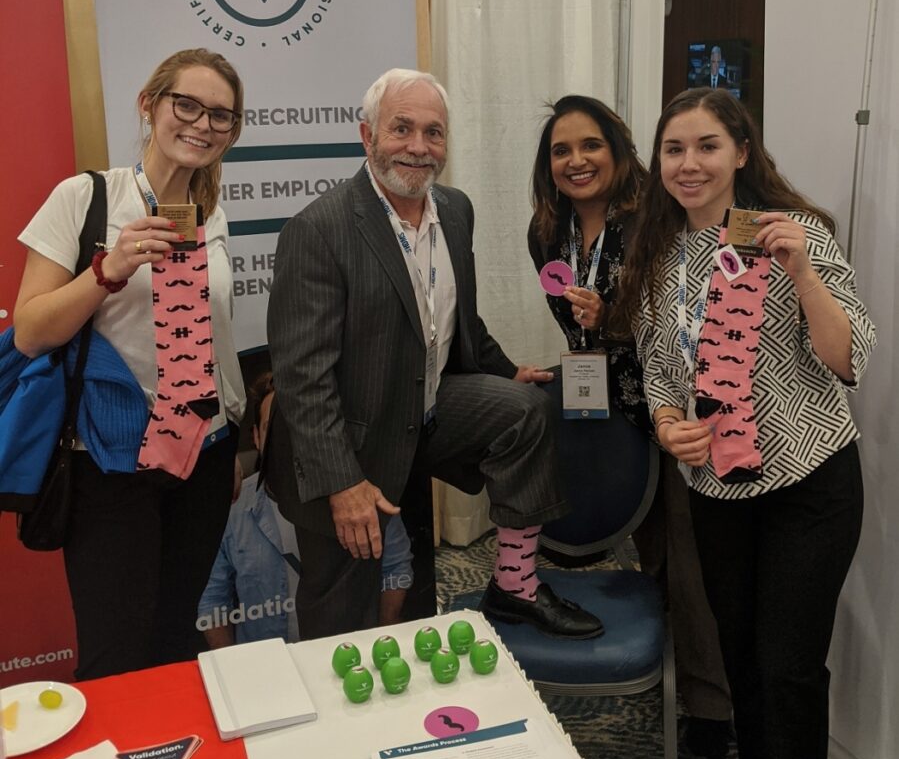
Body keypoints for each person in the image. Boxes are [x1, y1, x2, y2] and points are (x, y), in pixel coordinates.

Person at [266, 68, 603, 641]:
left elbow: (455, 316)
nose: (419, 147)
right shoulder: (319, 230)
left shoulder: (454, 208)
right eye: (402, 129)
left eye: (434, 132)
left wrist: (506, 371)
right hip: (346, 439)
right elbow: (302, 378)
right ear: (367, 135)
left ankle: (515, 586)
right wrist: (342, 484)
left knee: (523, 411)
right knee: (343, 617)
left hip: (421, 411)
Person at [616, 87, 875, 759]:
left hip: (809, 483)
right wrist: (667, 425)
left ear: (740, 153)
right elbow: (658, 369)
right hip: (717, 490)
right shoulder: (659, 253)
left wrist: (802, 274)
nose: (688, 163)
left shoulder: (795, 233)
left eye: (706, 146)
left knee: (788, 669)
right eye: (673, 149)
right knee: (740, 657)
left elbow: (848, 358)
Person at [14, 48, 247, 680]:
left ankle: (173, 747)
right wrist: (108, 269)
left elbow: (217, 339)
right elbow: (30, 331)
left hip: (203, 454)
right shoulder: (86, 197)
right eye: (187, 105)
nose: (202, 124)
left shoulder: (212, 215)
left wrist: (231, 434)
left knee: (175, 639)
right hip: (112, 460)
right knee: (116, 656)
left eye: (220, 115)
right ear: (149, 104)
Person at [528, 94, 733, 759]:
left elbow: (678, 315)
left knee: (688, 557)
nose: (576, 160)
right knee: (648, 552)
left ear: (617, 150)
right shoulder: (546, 233)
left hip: (668, 407)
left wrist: (611, 315)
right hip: (601, 411)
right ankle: (662, 663)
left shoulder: (657, 218)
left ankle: (709, 704)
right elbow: (574, 326)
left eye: (590, 144)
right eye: (561, 150)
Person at [198, 372, 413, 647]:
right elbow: (212, 599)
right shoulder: (231, 509)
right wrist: (230, 665)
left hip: (349, 654)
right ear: (256, 437)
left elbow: (395, 568)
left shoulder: (363, 494)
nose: (288, 443)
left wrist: (382, 642)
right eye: (275, 430)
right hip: (267, 663)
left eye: (295, 430)